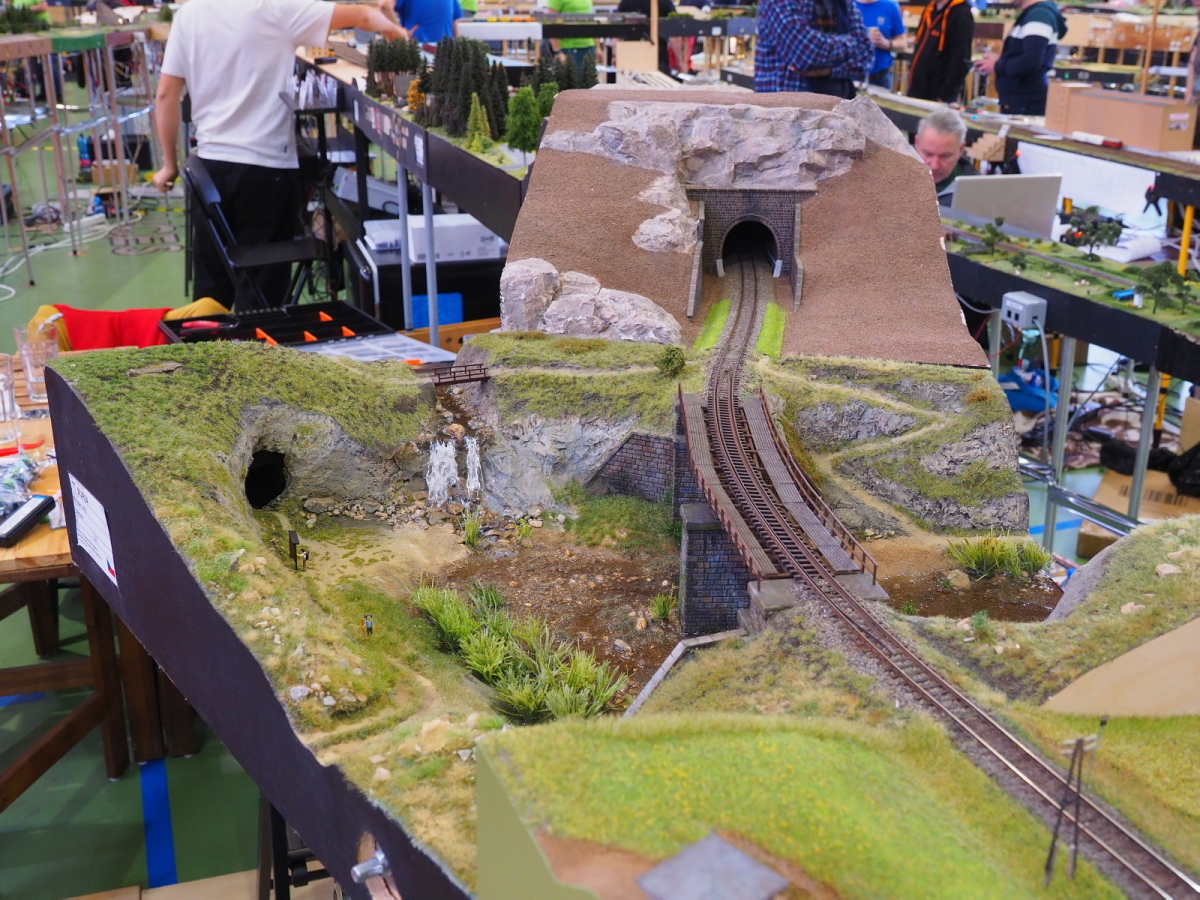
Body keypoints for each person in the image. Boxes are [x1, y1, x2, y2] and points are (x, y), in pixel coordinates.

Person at [153, 0, 404, 309]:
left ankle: (208, 339)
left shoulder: (190, 14)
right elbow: (365, 16)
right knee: (264, 293)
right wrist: (397, 34)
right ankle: (261, 339)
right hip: (265, 170)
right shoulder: (276, 9)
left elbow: (166, 94)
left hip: (208, 172)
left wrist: (169, 164)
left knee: (210, 293)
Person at [755, 0, 873, 98]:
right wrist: (854, 43)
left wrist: (828, 71)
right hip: (786, 110)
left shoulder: (844, 3)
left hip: (837, 107)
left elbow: (867, 53)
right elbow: (807, 55)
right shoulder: (778, 2)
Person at [974, 0, 1066, 115]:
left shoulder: (1039, 15)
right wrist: (1001, 61)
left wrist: (997, 65)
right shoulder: (1033, 14)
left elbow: (1030, 61)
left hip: (1025, 105)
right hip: (1021, 102)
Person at [907, 0, 974, 103]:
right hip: (917, 91)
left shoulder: (961, 13)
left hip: (938, 97)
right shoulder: (930, 9)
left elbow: (961, 60)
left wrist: (944, 96)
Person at [914, 109, 968, 206]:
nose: (934, 166)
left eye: (945, 156)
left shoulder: (977, 194)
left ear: (961, 150)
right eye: (928, 154)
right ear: (917, 143)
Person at [853, 0, 905, 89]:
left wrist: (886, 43)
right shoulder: (845, 4)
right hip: (849, 76)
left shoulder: (890, 6)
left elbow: (903, 44)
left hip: (880, 77)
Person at [617, 0, 678, 73]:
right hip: (659, 58)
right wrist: (679, 60)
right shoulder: (665, 2)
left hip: (629, 58)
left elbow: (616, 31)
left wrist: (615, 55)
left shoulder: (626, 2)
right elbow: (675, 34)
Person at [547, 0, 596, 75]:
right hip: (569, 48)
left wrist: (598, 47)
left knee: (589, 80)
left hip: (588, 46)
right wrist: (557, 51)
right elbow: (550, 24)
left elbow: (592, 21)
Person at [382, 0, 462, 44]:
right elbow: (385, 5)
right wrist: (399, 33)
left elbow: (453, 19)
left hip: (443, 51)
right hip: (420, 50)